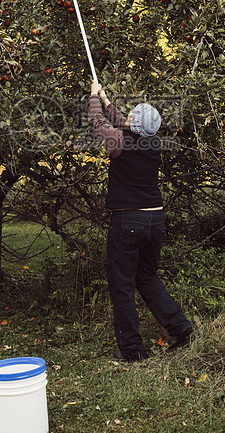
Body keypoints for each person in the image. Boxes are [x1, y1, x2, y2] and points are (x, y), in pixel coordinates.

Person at [87, 80, 192, 362]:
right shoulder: (152, 141)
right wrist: (108, 102)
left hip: (128, 221)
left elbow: (97, 124)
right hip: (154, 220)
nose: (129, 117)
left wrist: (93, 96)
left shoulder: (120, 142)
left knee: (122, 285)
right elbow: (123, 122)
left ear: (135, 125)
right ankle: (179, 327)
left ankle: (132, 351)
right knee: (146, 277)